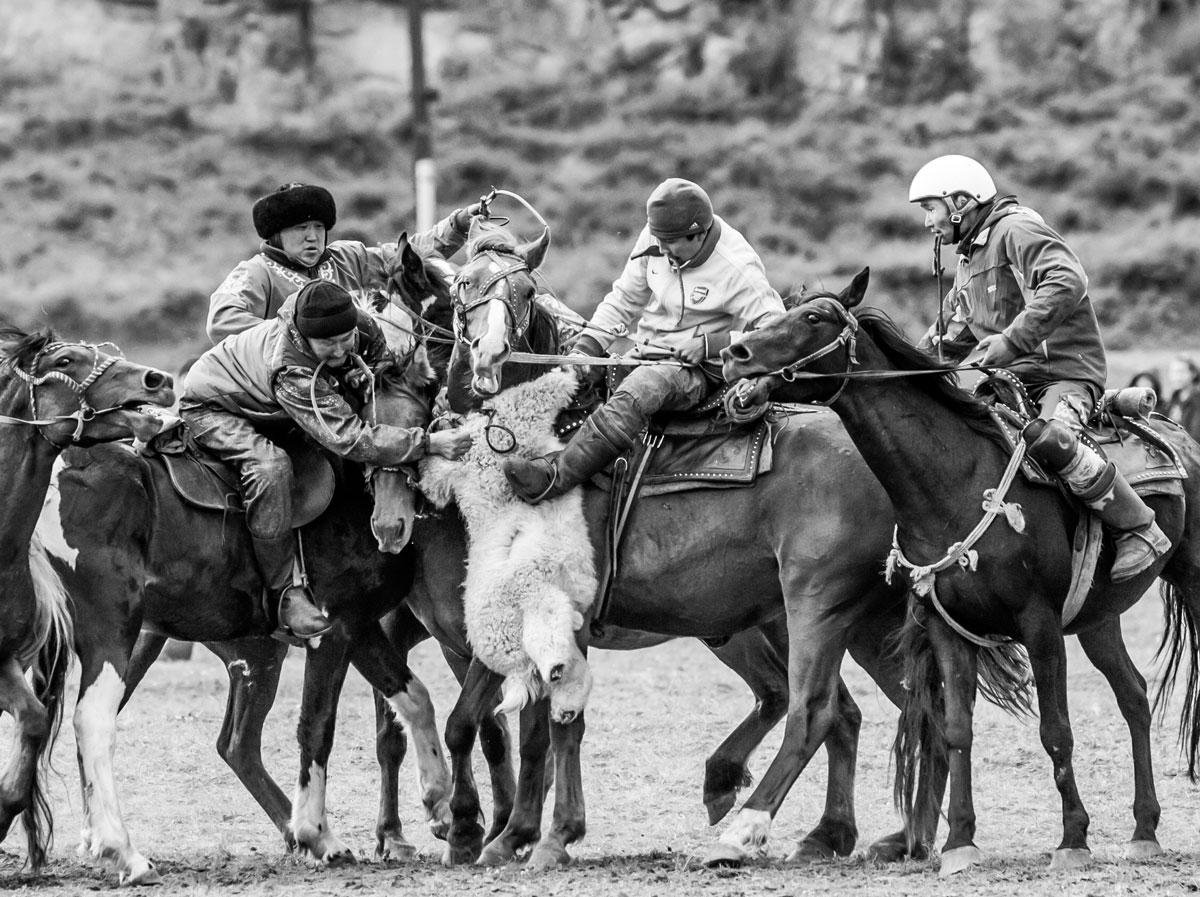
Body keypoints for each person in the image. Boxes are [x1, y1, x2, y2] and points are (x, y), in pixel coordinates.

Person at [909, 153, 1169, 582]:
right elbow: (952, 334)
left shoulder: (1017, 228)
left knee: (1052, 440)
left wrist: (1013, 340)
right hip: (1011, 382)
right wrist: (910, 371)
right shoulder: (967, 259)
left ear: (959, 202)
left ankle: (1139, 527)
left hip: (1066, 372)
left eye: (930, 209)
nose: (927, 223)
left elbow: (1067, 281)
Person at [181, 280, 472, 639]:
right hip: (214, 407)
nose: (338, 351)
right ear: (305, 338)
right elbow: (350, 438)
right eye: (326, 345)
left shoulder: (358, 325)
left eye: (343, 340)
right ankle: (283, 593)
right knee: (272, 469)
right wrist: (427, 442)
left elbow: (382, 374)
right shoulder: (292, 370)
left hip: (269, 400)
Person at [502, 177, 784, 504]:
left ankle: (556, 477)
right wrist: (585, 352)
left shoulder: (738, 268)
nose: (661, 250)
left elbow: (775, 331)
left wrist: (710, 344)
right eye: (658, 240)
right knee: (566, 360)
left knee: (641, 389)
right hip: (645, 351)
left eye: (671, 243)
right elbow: (624, 299)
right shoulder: (657, 234)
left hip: (702, 370)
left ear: (698, 235)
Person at [207, 182, 487, 344]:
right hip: (292, 385)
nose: (312, 237)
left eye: (318, 227)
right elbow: (221, 321)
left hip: (362, 373)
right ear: (276, 236)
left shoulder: (348, 256)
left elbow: (409, 259)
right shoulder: (256, 272)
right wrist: (302, 335)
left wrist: (458, 224)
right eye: (299, 229)